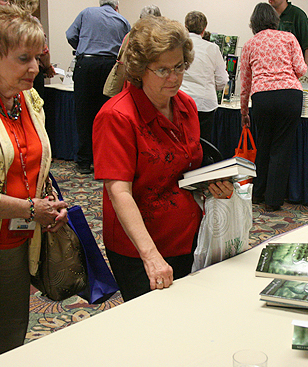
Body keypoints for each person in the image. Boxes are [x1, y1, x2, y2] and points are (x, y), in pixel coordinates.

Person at [92, 16, 233, 302]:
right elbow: (119, 192)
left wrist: (213, 184)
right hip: (141, 247)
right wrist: (151, 255)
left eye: (179, 67)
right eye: (163, 70)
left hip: (186, 236)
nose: (175, 77)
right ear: (140, 69)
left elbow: (186, 168)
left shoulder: (186, 105)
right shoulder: (117, 116)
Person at [0, 5, 68, 364]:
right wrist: (30, 209)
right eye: (24, 58)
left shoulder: (28, 99)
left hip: (15, 245)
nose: (35, 68)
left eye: (38, 57)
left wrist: (48, 200)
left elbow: (31, 163)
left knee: (7, 348)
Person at [239, 2, 307, 212]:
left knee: (264, 144)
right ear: (274, 20)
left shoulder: (250, 44)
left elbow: (245, 81)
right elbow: (302, 69)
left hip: (262, 98)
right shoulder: (289, 38)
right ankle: (273, 200)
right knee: (281, 148)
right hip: (290, 95)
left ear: (254, 22)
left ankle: (257, 193)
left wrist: (244, 112)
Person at [66, 0, 130, 174]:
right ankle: (104, 161)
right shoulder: (123, 20)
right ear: (116, 6)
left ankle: (84, 162)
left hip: (86, 64)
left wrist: (82, 47)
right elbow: (127, 45)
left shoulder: (86, 13)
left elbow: (71, 35)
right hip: (111, 68)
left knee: (84, 113)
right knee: (108, 115)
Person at [180, 11, 228, 143]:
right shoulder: (213, 48)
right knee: (203, 144)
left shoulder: (179, 46)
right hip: (205, 104)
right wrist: (212, 87)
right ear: (204, 29)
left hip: (181, 101)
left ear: (185, 26)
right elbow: (222, 80)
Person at [103, 4, 161, 98]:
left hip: (133, 82)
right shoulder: (162, 37)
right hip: (152, 83)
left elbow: (121, 60)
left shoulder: (131, 35)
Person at [268, 0, 308, 66]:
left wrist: (305, 72)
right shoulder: (267, 16)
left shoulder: (297, 15)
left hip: (293, 71)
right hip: (273, 70)